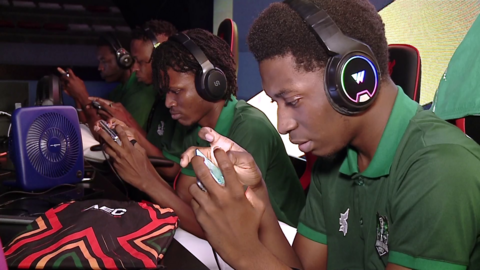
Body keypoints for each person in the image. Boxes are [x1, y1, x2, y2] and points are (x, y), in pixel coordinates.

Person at [179, 0, 480, 269]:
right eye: (276, 103)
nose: (282, 124)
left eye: (293, 101)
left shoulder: (442, 168)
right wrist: (258, 196)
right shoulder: (334, 159)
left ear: (352, 80)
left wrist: (245, 255)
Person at [96, 28, 306, 238]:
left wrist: (145, 178)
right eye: (166, 93)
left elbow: (227, 233)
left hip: (280, 243)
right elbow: (184, 201)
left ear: (211, 83)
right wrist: (139, 164)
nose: (168, 102)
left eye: (176, 91)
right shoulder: (198, 128)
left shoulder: (249, 128)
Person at [87, 20, 178, 134]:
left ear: (161, 59)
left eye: (140, 62)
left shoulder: (150, 95)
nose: (134, 68)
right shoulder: (159, 97)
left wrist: (127, 120)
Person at [59, 33, 157, 136]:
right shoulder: (118, 91)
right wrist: (77, 97)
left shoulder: (142, 93)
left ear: (124, 60)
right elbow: (89, 123)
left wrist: (83, 96)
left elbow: (107, 136)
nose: (100, 68)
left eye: (104, 61)